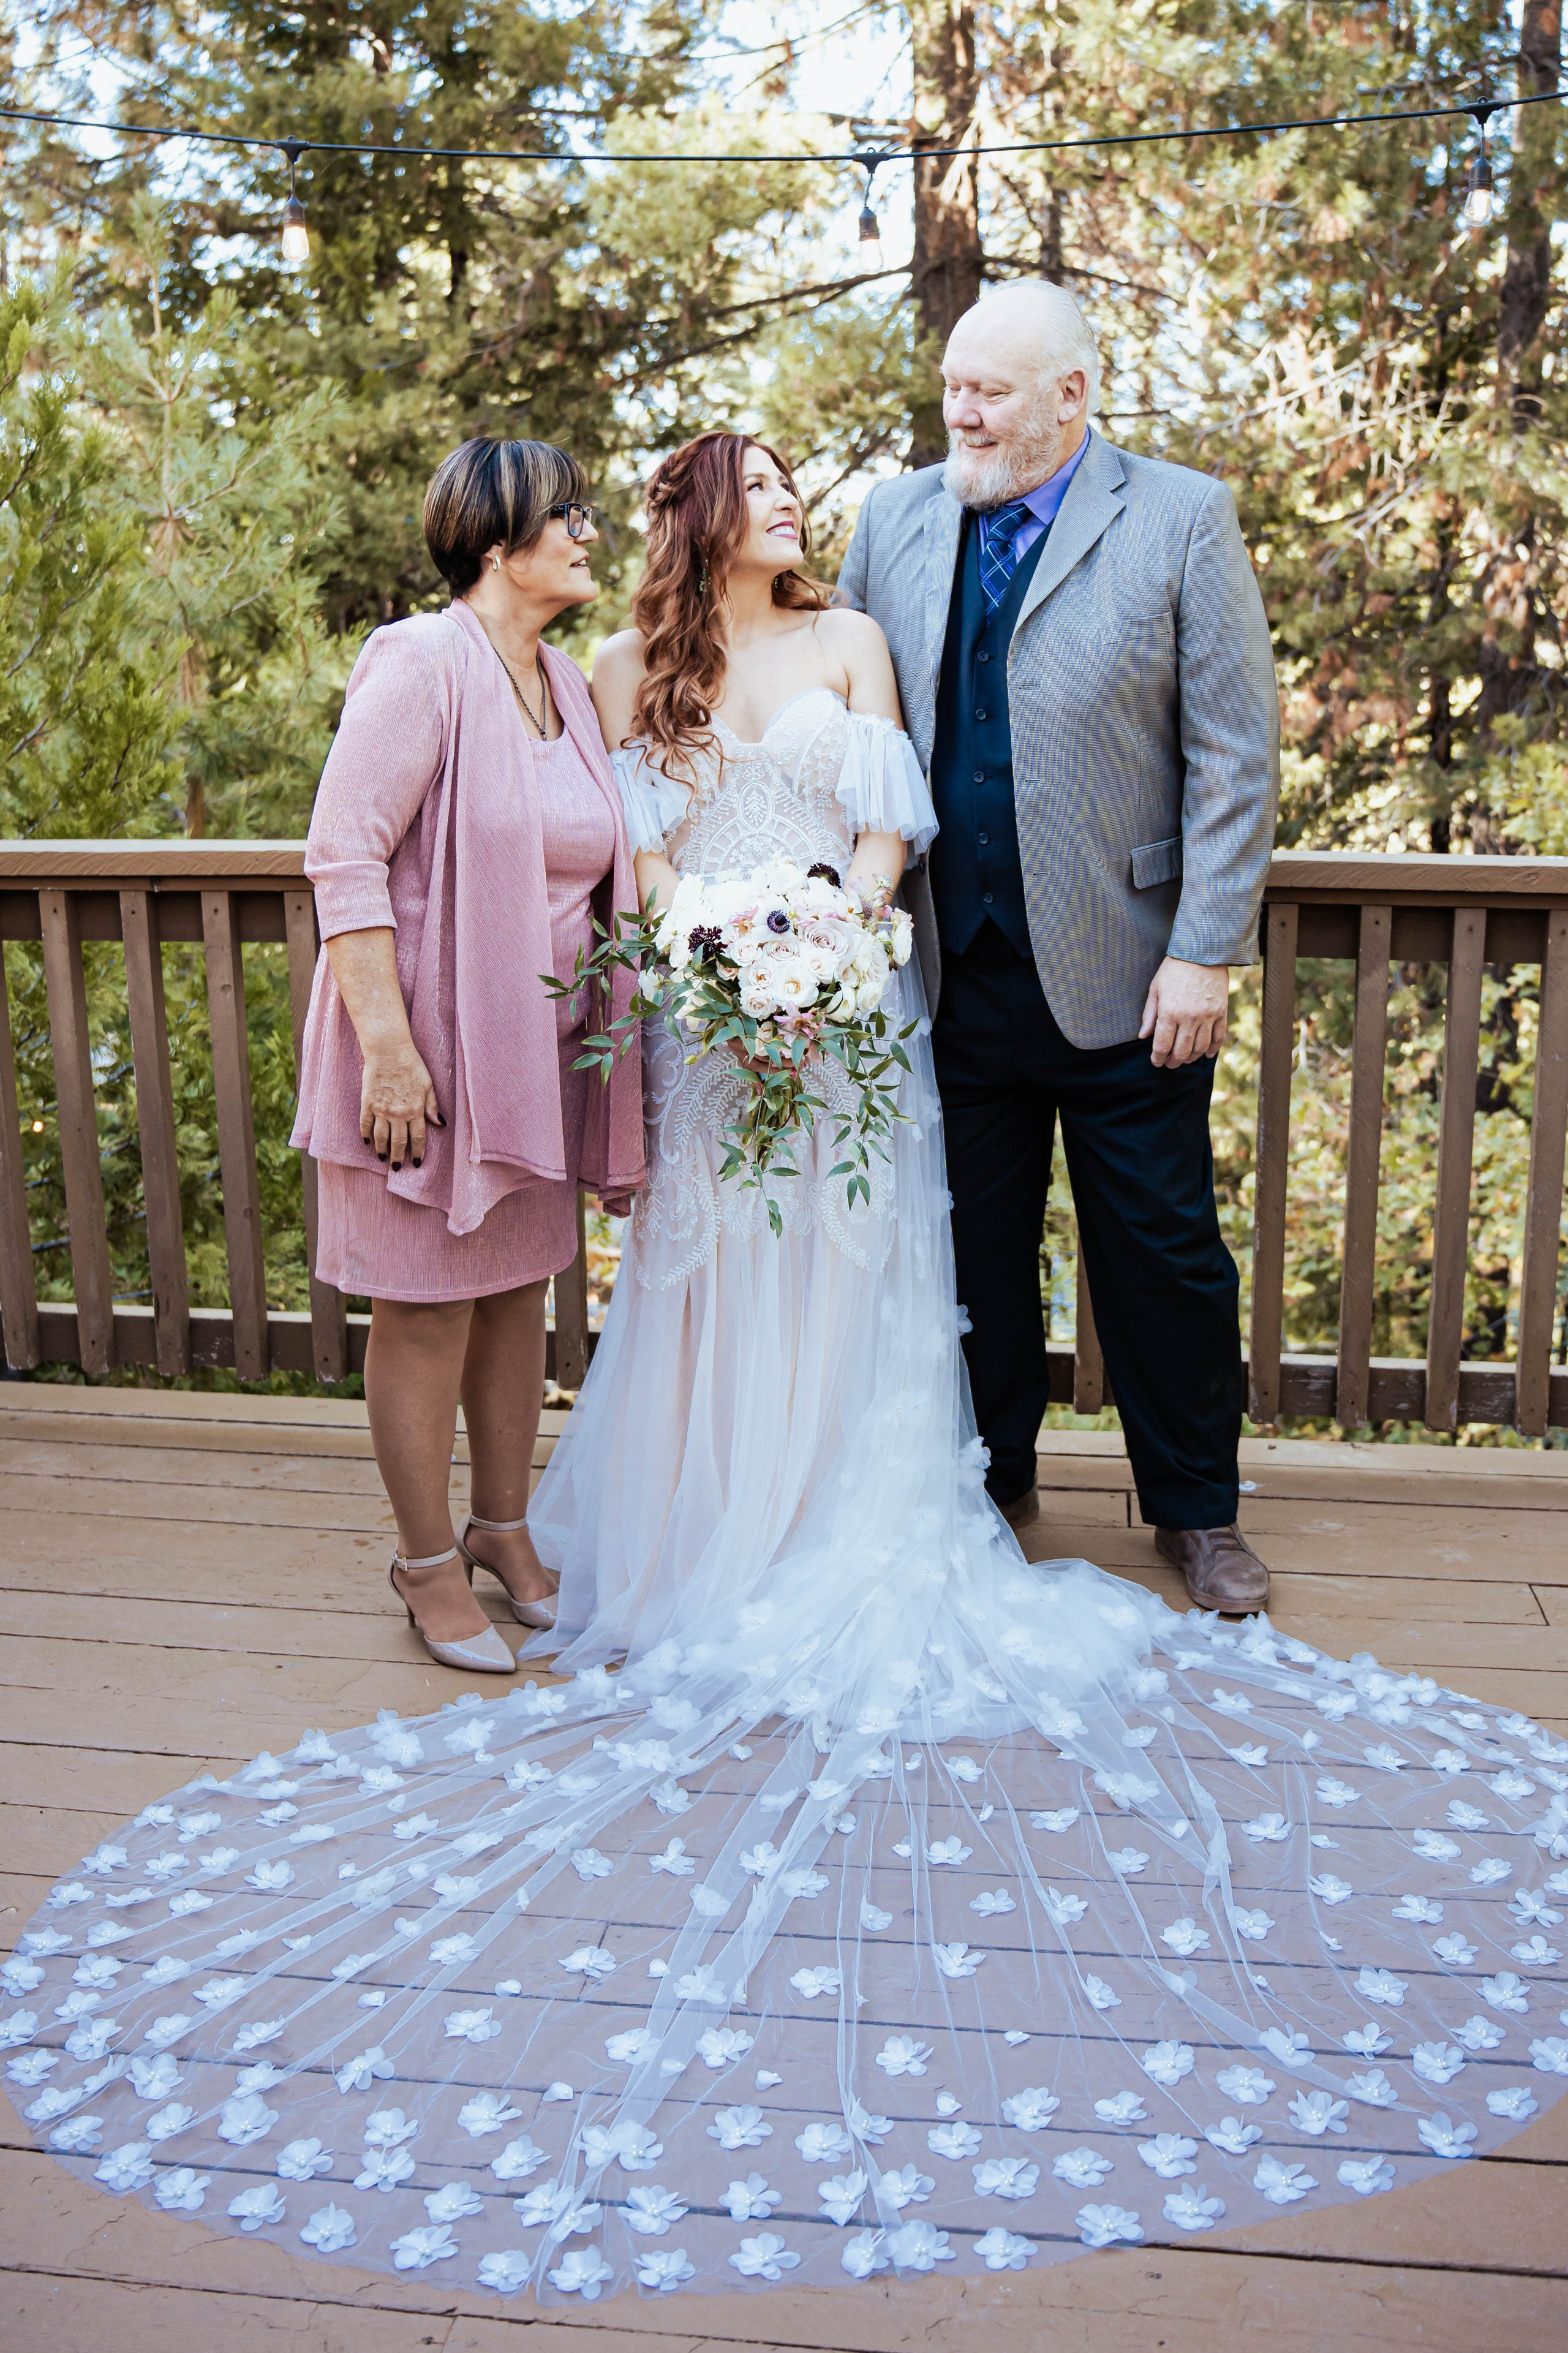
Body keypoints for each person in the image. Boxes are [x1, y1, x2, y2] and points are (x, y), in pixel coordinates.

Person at [13, 430, 1568, 2311]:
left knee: (844, 1276)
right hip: (699, 1019)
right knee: (693, 1280)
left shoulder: (843, 644)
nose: (789, 515)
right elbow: (627, 848)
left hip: (843, 1012)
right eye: (755, 493)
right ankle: (600, 1535)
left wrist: (834, 926)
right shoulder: (602, 668)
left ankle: (789, 1518)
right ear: (692, 523)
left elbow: (895, 821)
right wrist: (706, 945)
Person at [839, 279, 1279, 1617]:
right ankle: (989, 1486)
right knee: (968, 1253)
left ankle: (1196, 1510)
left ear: (1071, 396)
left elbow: (1232, 756)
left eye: (989, 391)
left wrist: (1203, 949)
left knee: (1161, 1253)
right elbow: (835, 708)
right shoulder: (894, 517)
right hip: (945, 969)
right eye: (952, 387)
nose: (960, 413)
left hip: (1132, 976)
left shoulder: (1181, 516)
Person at [290, 436, 644, 1671]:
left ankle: (503, 1528)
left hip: (539, 1056)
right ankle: (426, 1560)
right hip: (425, 1055)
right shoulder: (420, 661)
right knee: (427, 1309)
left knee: (515, 1299)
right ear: (497, 543)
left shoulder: (564, 680)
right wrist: (389, 1050)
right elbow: (344, 855)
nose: (589, 532)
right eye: (568, 514)